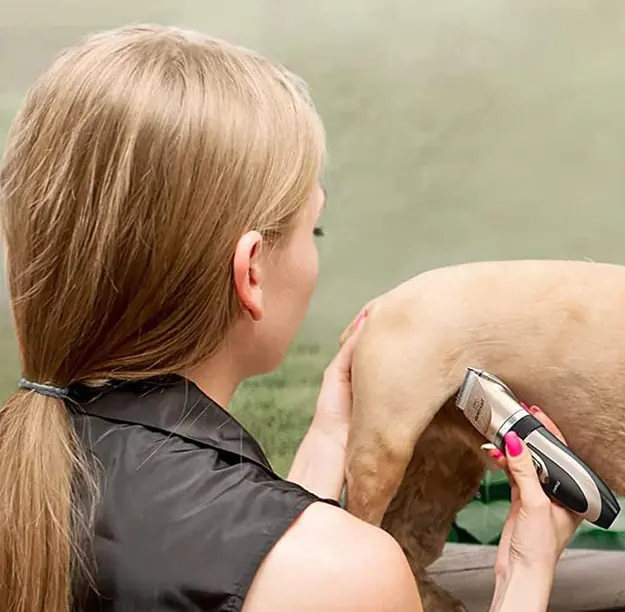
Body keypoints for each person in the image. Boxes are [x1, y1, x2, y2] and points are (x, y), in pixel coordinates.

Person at [0, 24, 583, 612]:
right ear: (251, 271)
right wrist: (525, 578)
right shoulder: (343, 575)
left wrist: (328, 440)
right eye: (315, 228)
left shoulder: (29, 473)